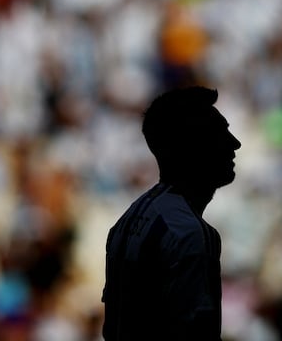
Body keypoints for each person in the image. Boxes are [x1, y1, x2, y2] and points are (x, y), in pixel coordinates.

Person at [102, 86, 241, 340]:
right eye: (220, 133)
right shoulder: (188, 232)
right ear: (193, 147)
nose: (235, 143)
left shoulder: (131, 217)